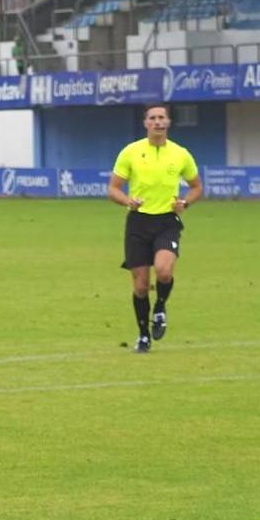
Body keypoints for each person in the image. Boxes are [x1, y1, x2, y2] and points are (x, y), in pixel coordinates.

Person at [107, 103, 203, 353]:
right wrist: (128, 200)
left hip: (167, 222)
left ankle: (160, 307)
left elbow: (197, 187)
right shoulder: (131, 152)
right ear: (146, 123)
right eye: (153, 118)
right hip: (138, 222)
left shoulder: (181, 154)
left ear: (169, 122)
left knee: (163, 272)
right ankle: (143, 336)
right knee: (140, 286)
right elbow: (113, 188)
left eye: (162, 117)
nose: (158, 122)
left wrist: (185, 202)